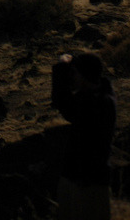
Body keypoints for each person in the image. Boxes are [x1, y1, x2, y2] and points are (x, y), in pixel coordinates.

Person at [51, 52, 116, 220]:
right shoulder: (104, 96)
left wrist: (61, 66)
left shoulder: (92, 104)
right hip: (89, 179)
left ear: (84, 76)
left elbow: (62, 101)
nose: (71, 77)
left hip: (86, 182)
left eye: (74, 73)